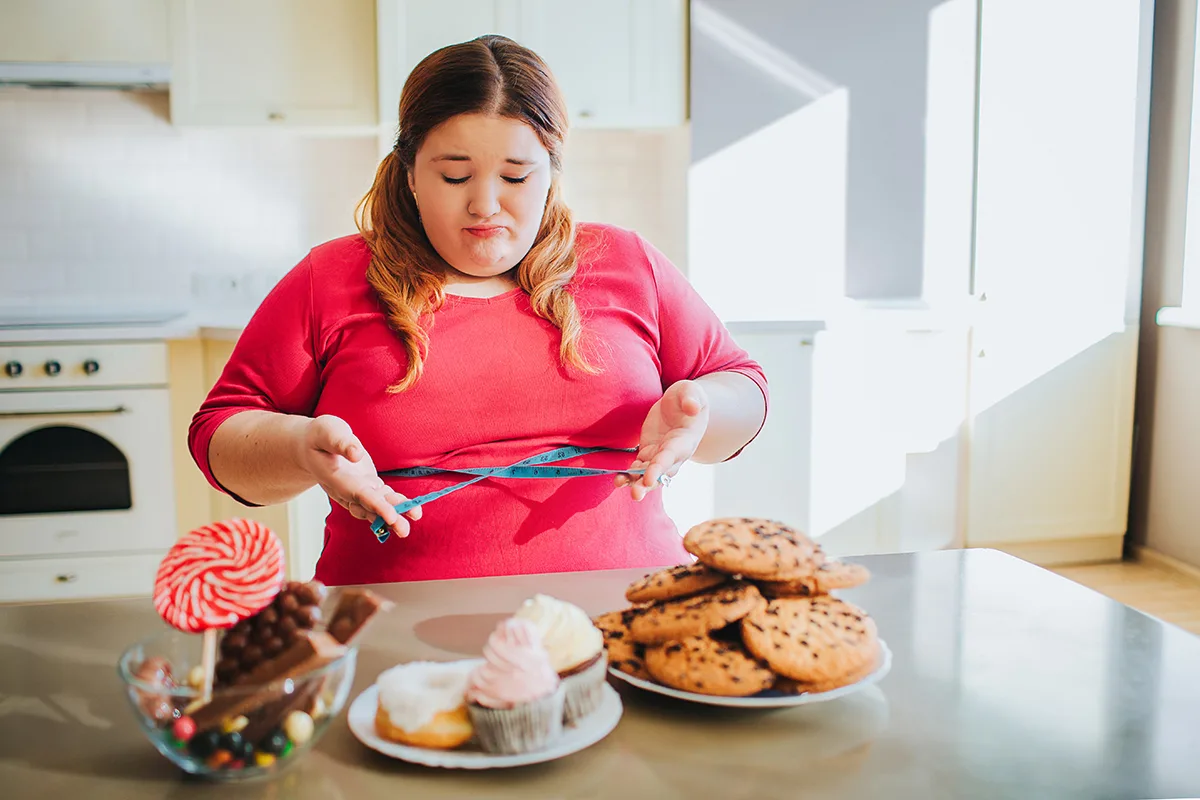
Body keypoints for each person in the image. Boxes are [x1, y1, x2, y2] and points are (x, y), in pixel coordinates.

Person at [188, 35, 769, 586]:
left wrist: (703, 411)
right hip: (392, 633)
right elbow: (219, 435)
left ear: (551, 174)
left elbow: (743, 387)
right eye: (455, 175)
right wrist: (298, 448)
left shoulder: (626, 262)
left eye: (515, 176)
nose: (484, 204)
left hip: (625, 617)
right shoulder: (330, 279)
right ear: (410, 172)